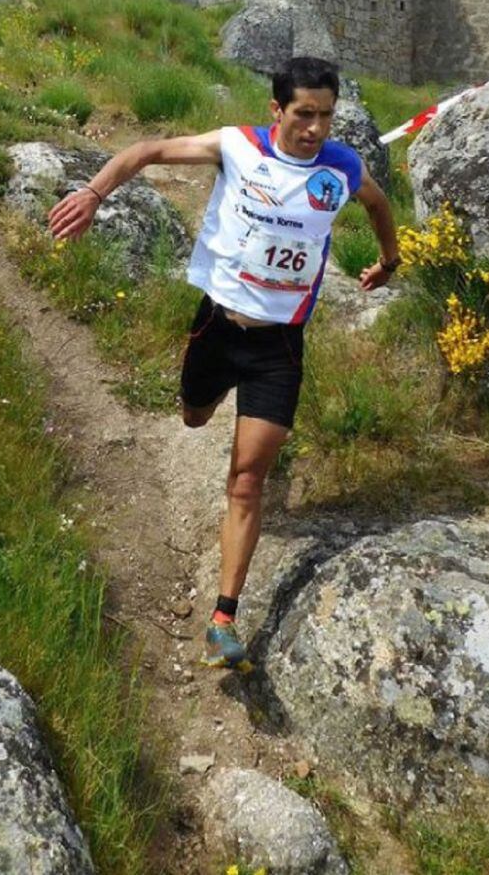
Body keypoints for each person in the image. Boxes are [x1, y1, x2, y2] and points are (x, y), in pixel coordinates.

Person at [48, 55, 400, 669]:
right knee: (192, 417)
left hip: (280, 347)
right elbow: (149, 151)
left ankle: (222, 618)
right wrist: (93, 193)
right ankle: (201, 404)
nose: (316, 128)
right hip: (216, 327)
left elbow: (376, 204)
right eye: (304, 114)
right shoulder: (236, 146)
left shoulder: (341, 167)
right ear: (277, 111)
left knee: (246, 481)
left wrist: (388, 260)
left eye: (326, 116)